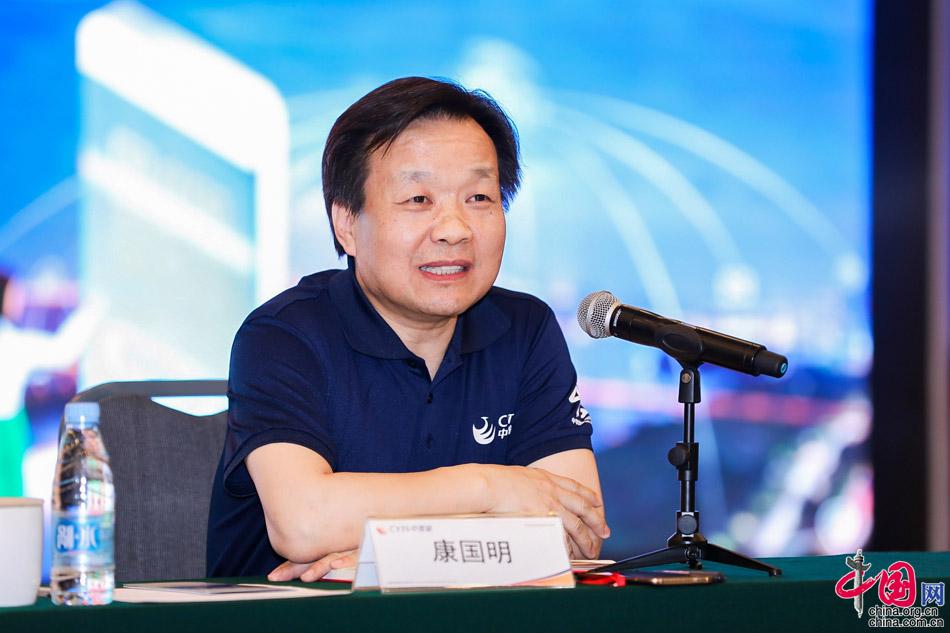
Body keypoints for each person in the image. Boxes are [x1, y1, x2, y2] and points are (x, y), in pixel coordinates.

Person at [207, 77, 608, 581]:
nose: (454, 229)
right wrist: (490, 488)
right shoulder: (284, 334)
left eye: (479, 197)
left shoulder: (524, 330)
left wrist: (393, 554)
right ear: (347, 224)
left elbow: (577, 533)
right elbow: (304, 524)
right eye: (418, 199)